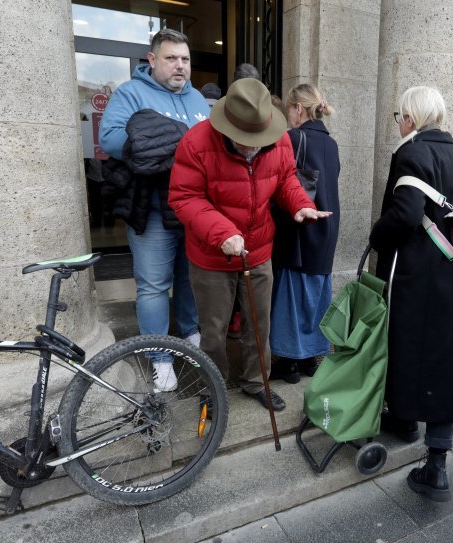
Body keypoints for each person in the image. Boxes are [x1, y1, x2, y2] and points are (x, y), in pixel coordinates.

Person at [168, 78, 332, 411]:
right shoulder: (196, 142)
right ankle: (213, 387)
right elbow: (184, 197)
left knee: (259, 324)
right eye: (244, 141)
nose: (250, 148)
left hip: (258, 250)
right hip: (212, 255)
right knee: (213, 332)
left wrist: (299, 203)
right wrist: (222, 233)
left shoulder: (280, 140)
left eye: (257, 140)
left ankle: (256, 381)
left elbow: (286, 178)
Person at [369, 86, 453, 503]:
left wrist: (376, 235)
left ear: (411, 119)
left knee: (405, 345)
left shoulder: (411, 153)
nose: (398, 122)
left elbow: (406, 214)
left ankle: (404, 418)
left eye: (399, 115)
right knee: (445, 356)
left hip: (415, 272)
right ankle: (437, 464)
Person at [99, 29, 208, 391]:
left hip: (193, 208)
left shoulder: (197, 98)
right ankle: (159, 356)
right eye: (171, 58)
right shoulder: (131, 93)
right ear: (152, 60)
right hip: (154, 210)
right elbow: (110, 139)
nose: (180, 66)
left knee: (190, 280)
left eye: (185, 59)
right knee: (153, 286)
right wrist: (166, 140)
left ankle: (190, 337)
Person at [269, 84, 340, 383]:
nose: (289, 115)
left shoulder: (292, 137)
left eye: (289, 109)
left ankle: (288, 364)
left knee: (291, 295)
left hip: (298, 224)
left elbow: (279, 182)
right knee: (316, 295)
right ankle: (311, 359)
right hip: (327, 224)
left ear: (298, 109)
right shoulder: (332, 143)